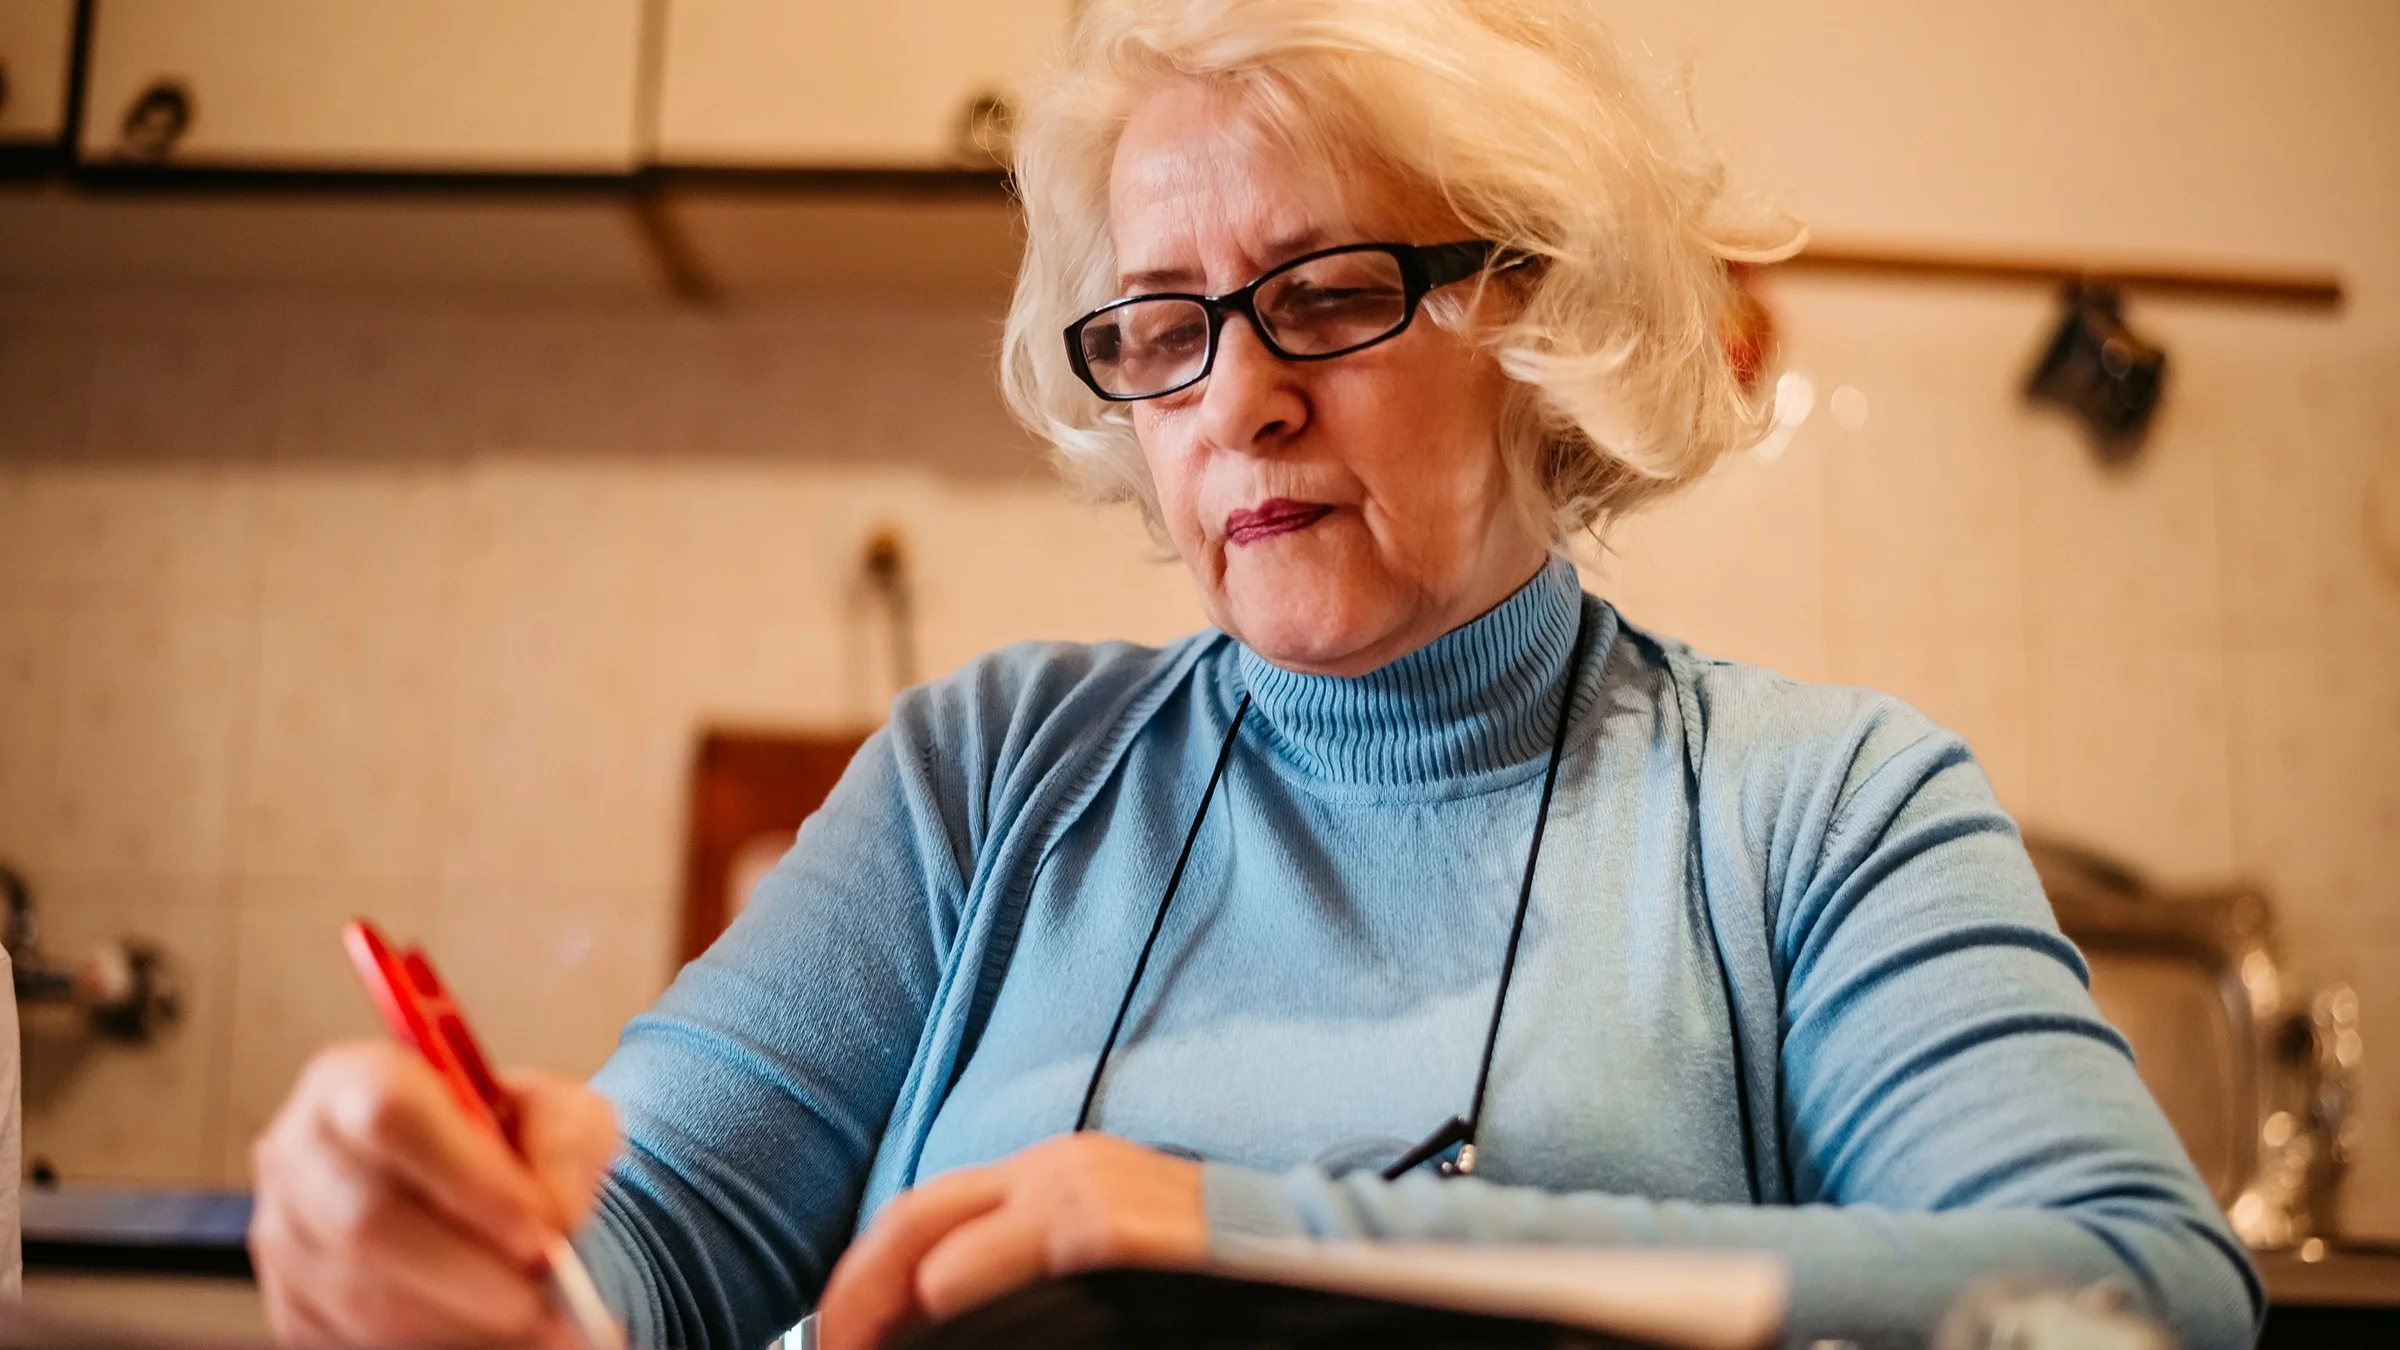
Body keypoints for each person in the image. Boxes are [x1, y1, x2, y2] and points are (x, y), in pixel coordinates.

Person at [247, 1, 2261, 1346]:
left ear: (1538, 314)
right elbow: (646, 1230)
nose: (1239, 404)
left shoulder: (1817, 809)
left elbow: (2135, 1295)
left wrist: (1236, 1230)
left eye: (1324, 294)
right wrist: (467, 1253)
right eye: (1164, 326)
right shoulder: (983, 772)